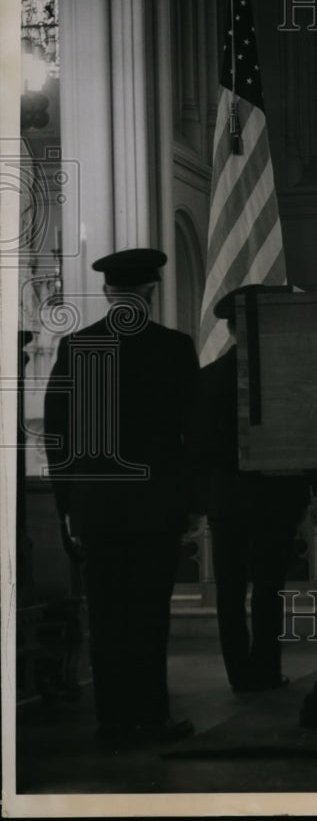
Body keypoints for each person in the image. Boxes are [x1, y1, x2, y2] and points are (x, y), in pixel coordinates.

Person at [44, 248, 199, 748]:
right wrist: (191, 502)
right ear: (151, 292)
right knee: (150, 617)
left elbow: (59, 435)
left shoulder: (77, 347)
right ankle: (151, 717)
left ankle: (112, 721)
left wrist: (67, 506)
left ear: (109, 293)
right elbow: (190, 435)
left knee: (107, 619)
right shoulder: (174, 348)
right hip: (156, 505)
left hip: (97, 509)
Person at [191, 285, 310, 693]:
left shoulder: (206, 379)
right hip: (274, 499)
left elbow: (199, 447)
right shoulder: (285, 376)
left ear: (228, 329)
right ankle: (265, 669)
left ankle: (239, 675)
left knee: (228, 592)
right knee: (268, 590)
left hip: (226, 500)